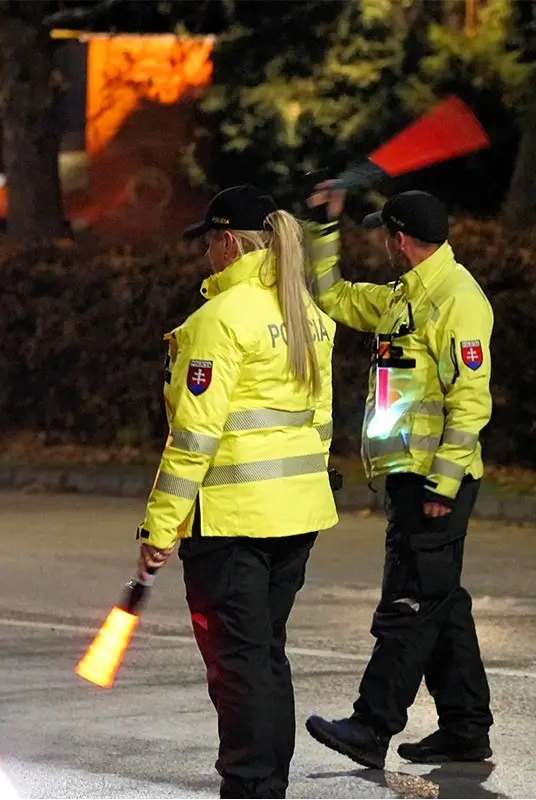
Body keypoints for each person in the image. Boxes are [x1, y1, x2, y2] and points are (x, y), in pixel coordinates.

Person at [136, 184, 339, 798]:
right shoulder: (307, 315)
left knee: (238, 667)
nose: (204, 254)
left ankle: (250, 787)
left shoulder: (218, 321)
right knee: (267, 657)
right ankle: (267, 784)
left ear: (227, 242)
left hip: (230, 523)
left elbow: (192, 438)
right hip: (297, 515)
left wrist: (160, 527)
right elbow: (321, 423)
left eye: (208, 241)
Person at [300, 185, 495, 768]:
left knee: (410, 604)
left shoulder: (458, 300)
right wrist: (321, 229)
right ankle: (464, 728)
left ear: (400, 237)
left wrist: (443, 482)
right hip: (407, 480)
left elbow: (472, 401)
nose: (384, 243)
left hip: (433, 483)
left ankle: (371, 725)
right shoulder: (398, 298)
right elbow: (331, 296)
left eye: (385, 234)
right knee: (440, 604)